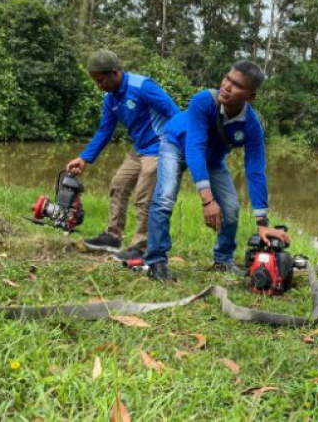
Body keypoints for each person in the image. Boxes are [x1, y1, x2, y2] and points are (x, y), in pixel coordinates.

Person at [143, 61, 289, 281]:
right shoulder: (204, 101)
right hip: (176, 144)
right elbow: (195, 147)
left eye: (237, 85)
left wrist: (262, 224)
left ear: (250, 96)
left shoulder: (251, 127)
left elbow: (255, 171)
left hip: (212, 159)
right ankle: (156, 261)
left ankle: (223, 259)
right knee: (165, 197)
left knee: (230, 209)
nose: (227, 86)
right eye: (227, 78)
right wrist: (207, 200)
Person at [66, 51, 180, 260]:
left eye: (100, 80)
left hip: (161, 147)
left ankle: (141, 247)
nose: (98, 85)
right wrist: (84, 158)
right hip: (140, 148)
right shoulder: (110, 98)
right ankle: (112, 237)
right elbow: (104, 131)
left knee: (144, 196)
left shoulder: (143, 87)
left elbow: (174, 113)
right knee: (118, 184)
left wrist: (176, 147)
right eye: (95, 81)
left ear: (114, 73)